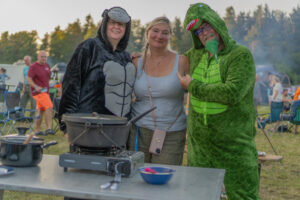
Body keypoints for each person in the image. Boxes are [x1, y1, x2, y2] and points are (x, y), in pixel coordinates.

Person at [177, 3, 260, 199]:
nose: (203, 34)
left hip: (234, 148)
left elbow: (231, 93)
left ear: (217, 24)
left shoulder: (239, 55)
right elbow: (167, 59)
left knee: (242, 196)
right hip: (200, 150)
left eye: (206, 27)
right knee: (198, 196)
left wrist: (193, 86)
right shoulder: (194, 56)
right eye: (198, 32)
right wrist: (142, 55)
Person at [58, 6, 133, 200]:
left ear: (126, 29)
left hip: (115, 135)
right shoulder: (88, 47)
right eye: (113, 22)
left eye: (121, 24)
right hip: (86, 131)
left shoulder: (125, 57)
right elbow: (71, 84)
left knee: (109, 188)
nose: (117, 27)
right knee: (80, 186)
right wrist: (67, 126)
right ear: (105, 24)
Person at [128, 16, 189, 165]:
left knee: (163, 180)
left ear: (170, 36)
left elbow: (193, 92)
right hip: (138, 131)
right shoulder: (136, 62)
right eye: (155, 31)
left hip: (172, 132)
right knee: (135, 180)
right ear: (147, 33)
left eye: (165, 33)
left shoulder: (182, 61)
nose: (159, 36)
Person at [27, 50, 55, 136]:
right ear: (38, 57)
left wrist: (54, 72)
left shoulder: (47, 66)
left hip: (46, 91)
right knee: (49, 107)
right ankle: (48, 128)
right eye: (42, 56)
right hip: (38, 92)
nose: (44, 58)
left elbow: (48, 77)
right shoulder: (33, 66)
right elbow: (29, 79)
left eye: (45, 57)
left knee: (40, 111)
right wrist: (36, 86)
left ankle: (37, 130)